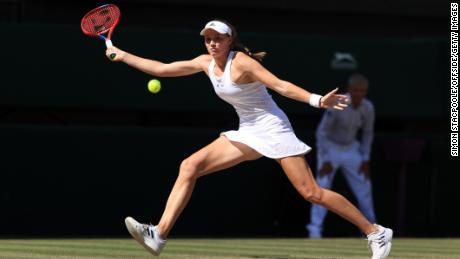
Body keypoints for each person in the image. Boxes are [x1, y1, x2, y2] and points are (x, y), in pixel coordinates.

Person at [105, 19, 392, 258]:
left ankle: (376, 232)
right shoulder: (205, 63)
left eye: (218, 38)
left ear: (230, 40)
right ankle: (159, 235)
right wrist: (123, 55)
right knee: (189, 166)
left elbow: (281, 86)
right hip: (248, 131)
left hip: (274, 128)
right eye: (208, 38)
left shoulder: (242, 63)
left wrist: (317, 100)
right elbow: (162, 69)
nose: (212, 43)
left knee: (311, 193)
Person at [307, 73, 377, 239]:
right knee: (321, 188)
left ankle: (373, 232)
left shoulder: (368, 108)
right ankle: (314, 231)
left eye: (362, 91)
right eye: (356, 90)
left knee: (365, 188)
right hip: (331, 148)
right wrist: (325, 159)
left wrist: (365, 158)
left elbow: (368, 134)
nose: (359, 94)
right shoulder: (340, 103)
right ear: (350, 90)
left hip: (352, 149)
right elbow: (322, 132)